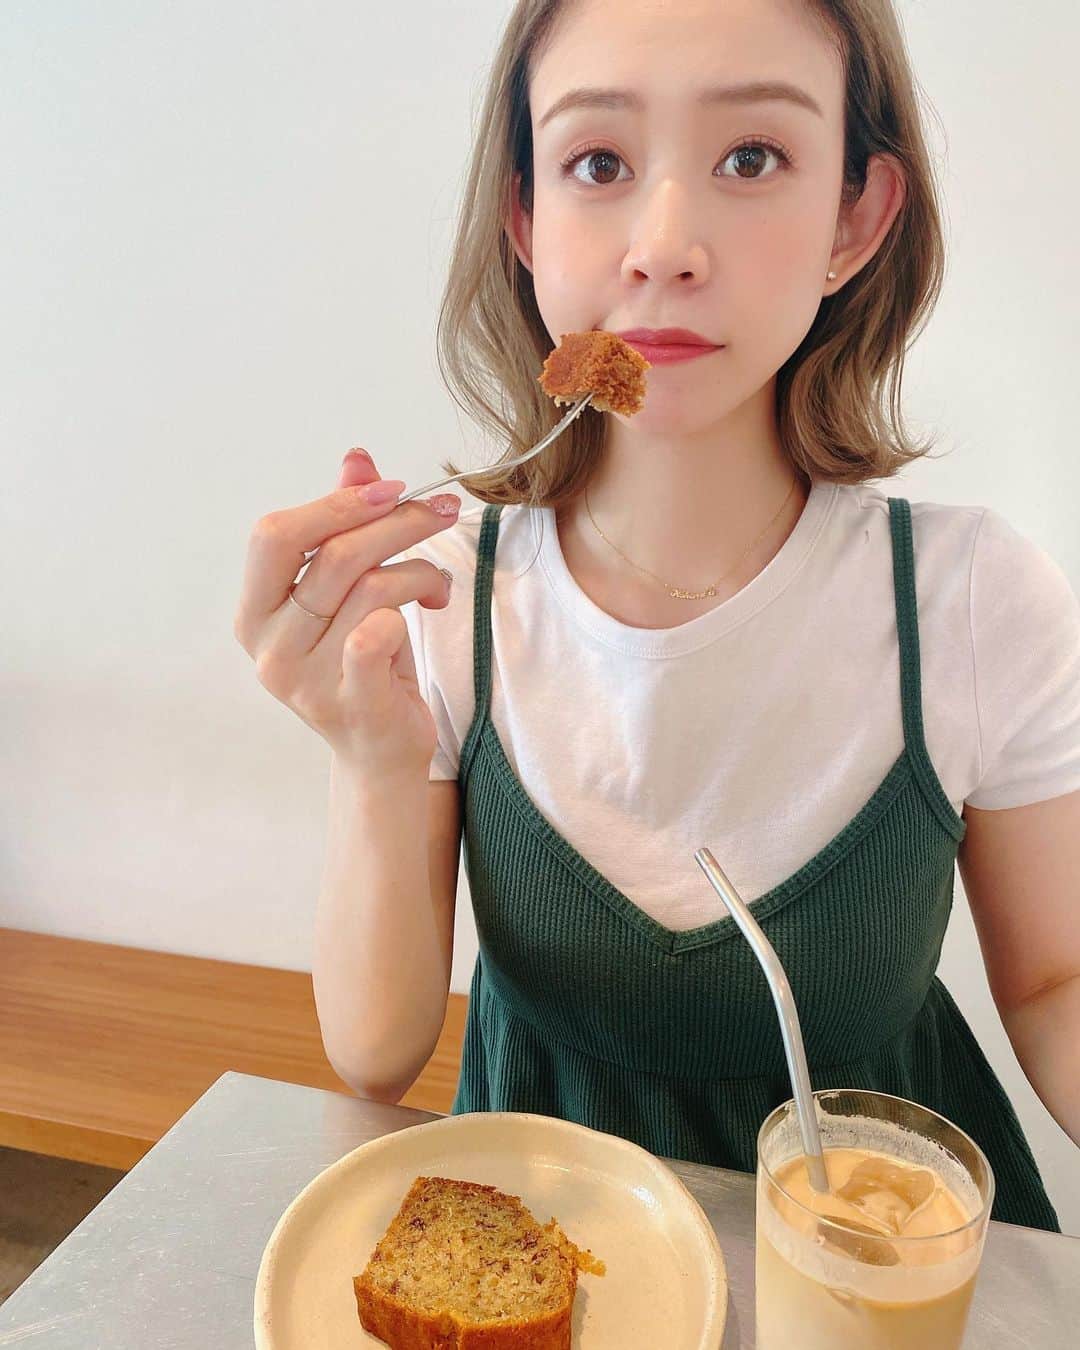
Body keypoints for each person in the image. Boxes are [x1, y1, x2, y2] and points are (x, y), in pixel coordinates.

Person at [234, 0, 1080, 1231]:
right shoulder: (447, 596)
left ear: (855, 219)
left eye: (753, 157)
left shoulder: (973, 600)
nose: (665, 248)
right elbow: (374, 1055)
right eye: (598, 164)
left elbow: (1058, 982)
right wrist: (368, 756)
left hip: (880, 1257)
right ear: (526, 219)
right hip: (554, 1251)